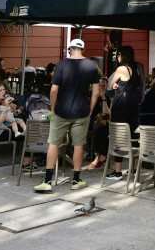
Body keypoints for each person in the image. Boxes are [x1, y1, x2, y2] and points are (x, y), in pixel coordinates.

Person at [34, 38, 100, 193]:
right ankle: (76, 180)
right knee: (79, 145)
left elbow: (54, 90)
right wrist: (90, 109)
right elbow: (96, 92)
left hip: (62, 111)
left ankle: (47, 181)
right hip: (81, 111)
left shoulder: (62, 64)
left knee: (53, 143)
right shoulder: (92, 65)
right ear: (83, 49)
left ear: (70, 48)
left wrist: (53, 107)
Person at [104, 45, 141, 181]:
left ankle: (118, 172)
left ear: (123, 55)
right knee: (134, 136)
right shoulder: (136, 69)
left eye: (119, 54)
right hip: (134, 105)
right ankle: (135, 169)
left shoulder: (121, 69)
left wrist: (115, 85)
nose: (118, 57)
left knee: (118, 136)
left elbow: (111, 83)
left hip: (121, 105)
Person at [0, 83, 31, 169]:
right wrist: (6, 106)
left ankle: (26, 161)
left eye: (4, 90)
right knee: (29, 135)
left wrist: (11, 107)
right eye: (0, 90)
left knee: (27, 132)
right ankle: (26, 163)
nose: (3, 92)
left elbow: (11, 115)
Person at [86, 77, 111, 170]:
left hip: (98, 123)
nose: (100, 87)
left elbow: (107, 114)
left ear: (106, 87)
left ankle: (99, 156)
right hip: (87, 121)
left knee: (103, 125)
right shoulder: (89, 94)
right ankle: (102, 155)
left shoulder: (106, 98)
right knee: (101, 125)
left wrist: (103, 99)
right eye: (99, 85)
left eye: (103, 86)